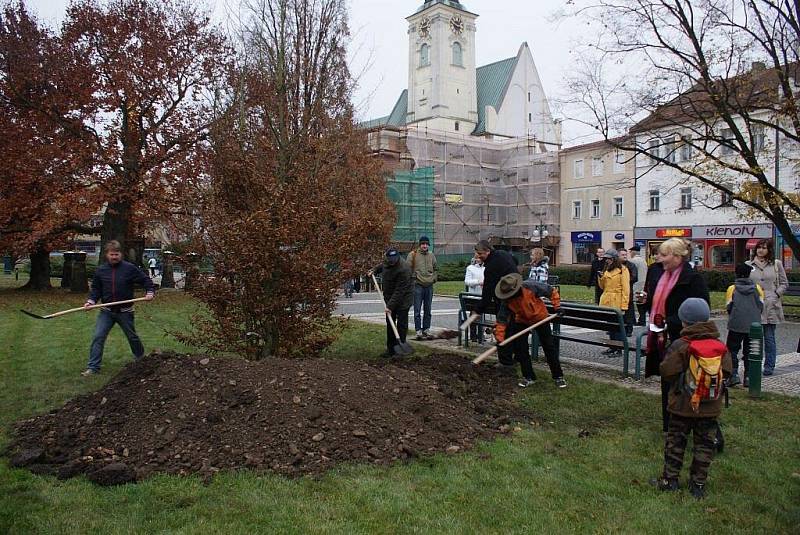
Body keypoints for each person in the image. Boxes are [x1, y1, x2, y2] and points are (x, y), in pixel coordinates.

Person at [651, 298, 731, 500]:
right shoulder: (719, 345)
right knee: (704, 445)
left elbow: (667, 371)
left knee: (676, 443)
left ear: (684, 321)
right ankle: (698, 484)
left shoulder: (681, 345)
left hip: (682, 405)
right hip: (710, 407)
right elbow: (728, 371)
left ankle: (670, 480)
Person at [642, 238, 710, 432]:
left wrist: (669, 321)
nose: (658, 258)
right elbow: (656, 306)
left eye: (664, 255)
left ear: (678, 256)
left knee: (688, 385)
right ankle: (669, 426)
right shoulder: (662, 275)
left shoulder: (692, 278)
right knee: (668, 381)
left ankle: (701, 429)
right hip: (663, 339)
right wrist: (645, 302)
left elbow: (701, 310)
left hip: (684, 340)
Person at [82, 240, 156, 376]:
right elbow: (96, 289)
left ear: (120, 254)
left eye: (116, 254)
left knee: (132, 337)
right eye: (112, 254)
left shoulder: (129, 268)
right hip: (107, 312)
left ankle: (141, 361)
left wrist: (150, 292)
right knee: (98, 337)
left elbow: (146, 280)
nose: (114, 257)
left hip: (125, 312)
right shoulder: (101, 270)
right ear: (107, 255)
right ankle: (93, 367)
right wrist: (91, 301)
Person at [494, 273, 567, 389]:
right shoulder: (506, 299)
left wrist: (557, 307)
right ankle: (529, 377)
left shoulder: (530, 286)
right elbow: (501, 320)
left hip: (540, 318)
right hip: (522, 320)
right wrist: (500, 339)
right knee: (520, 348)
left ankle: (558, 376)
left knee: (548, 346)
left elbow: (551, 291)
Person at [474, 240, 519, 369]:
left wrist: (478, 310)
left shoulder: (491, 268)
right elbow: (515, 261)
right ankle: (517, 357)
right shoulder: (503, 254)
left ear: (488, 251)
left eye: (480, 253)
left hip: (506, 300)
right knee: (513, 329)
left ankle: (505, 362)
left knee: (503, 329)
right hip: (517, 296)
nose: (478, 256)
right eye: (477, 253)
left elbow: (487, 294)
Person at [748, 239, 788, 376]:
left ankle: (769, 366)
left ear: (769, 250)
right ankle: (753, 365)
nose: (760, 250)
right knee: (753, 338)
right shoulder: (749, 265)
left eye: (764, 248)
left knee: (769, 337)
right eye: (759, 247)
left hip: (771, 305)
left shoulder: (776, 264)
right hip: (754, 304)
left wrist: (776, 294)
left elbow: (784, 283)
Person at [725, 263, 764, 387]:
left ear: (736, 274)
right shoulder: (757, 288)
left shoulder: (732, 288)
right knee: (750, 351)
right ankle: (748, 376)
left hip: (736, 324)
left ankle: (734, 374)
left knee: (732, 350)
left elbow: (728, 307)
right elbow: (761, 305)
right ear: (749, 274)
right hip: (753, 326)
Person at [370, 248, 413, 358]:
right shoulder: (387, 261)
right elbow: (382, 266)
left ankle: (400, 347)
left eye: (394, 259)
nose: (392, 261)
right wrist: (374, 270)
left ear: (398, 257)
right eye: (390, 259)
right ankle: (390, 349)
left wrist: (390, 306)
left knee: (401, 324)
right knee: (390, 323)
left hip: (403, 298)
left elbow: (400, 291)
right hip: (389, 296)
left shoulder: (404, 269)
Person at [598, 249, 630, 356]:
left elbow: (626, 289)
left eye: (609, 258)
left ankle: (618, 349)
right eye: (606, 259)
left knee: (617, 327)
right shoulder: (607, 269)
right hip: (607, 300)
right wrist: (601, 277)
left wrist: (624, 306)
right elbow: (603, 287)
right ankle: (612, 347)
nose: (607, 260)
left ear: (614, 259)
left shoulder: (623, 270)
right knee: (610, 326)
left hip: (617, 301)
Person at [408, 235, 437, 340]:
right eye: (423, 244)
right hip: (418, 285)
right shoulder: (413, 255)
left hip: (429, 286)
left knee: (428, 309)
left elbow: (436, 268)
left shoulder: (431, 255)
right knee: (417, 310)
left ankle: (426, 329)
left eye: (426, 244)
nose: (425, 246)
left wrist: (434, 278)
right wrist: (413, 279)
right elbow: (408, 269)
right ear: (420, 245)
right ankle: (418, 330)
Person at [464, 254, 485, 342]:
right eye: (477, 258)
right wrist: (478, 282)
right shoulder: (470, 268)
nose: (479, 260)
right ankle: (473, 335)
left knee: (480, 316)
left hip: (483, 296)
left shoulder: (486, 268)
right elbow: (467, 281)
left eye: (480, 258)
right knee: (473, 315)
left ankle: (480, 335)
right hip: (473, 297)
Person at [619, 248, 638, 337]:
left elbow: (634, 277)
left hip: (627, 292)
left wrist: (624, 281)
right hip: (618, 293)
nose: (625, 256)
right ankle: (618, 328)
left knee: (629, 312)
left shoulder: (631, 265)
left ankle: (629, 329)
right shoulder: (616, 265)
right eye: (622, 255)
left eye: (625, 254)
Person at [629, 245, 649, 325]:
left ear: (633, 252)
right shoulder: (643, 260)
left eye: (630, 252)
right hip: (643, 285)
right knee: (641, 303)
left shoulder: (633, 261)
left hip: (636, 285)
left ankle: (635, 320)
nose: (630, 253)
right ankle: (642, 319)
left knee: (633, 303)